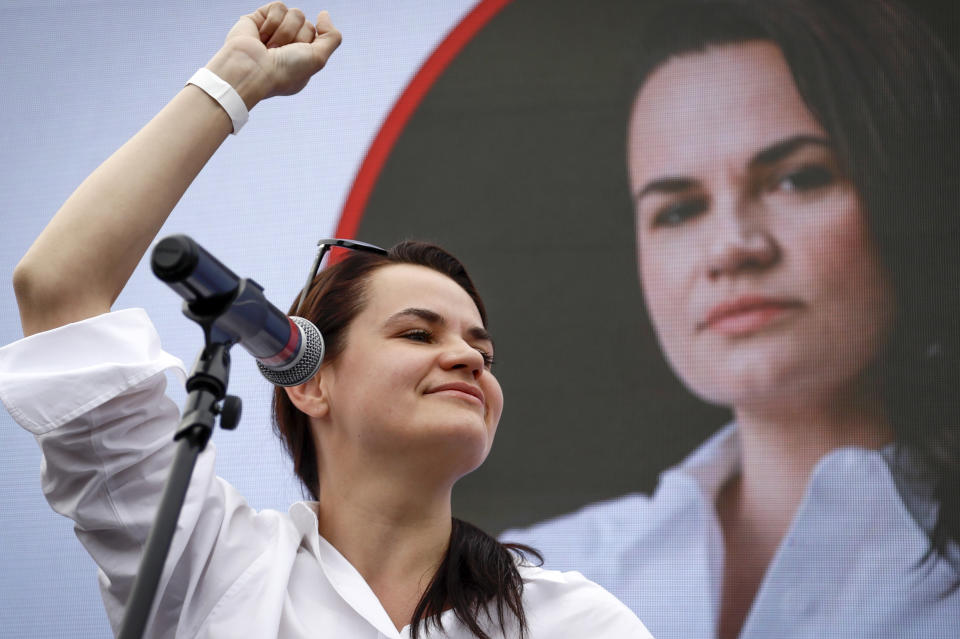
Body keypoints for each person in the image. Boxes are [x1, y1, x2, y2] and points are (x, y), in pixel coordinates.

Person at [1, 4, 651, 638]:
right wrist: (232, 84)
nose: (468, 358)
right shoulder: (212, 567)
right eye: (418, 333)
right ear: (309, 380)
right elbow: (59, 289)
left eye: (482, 347)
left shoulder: (576, 620)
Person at [502, 0, 960, 638]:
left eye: (798, 178)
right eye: (679, 211)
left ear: (905, 195)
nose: (732, 248)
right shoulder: (525, 586)